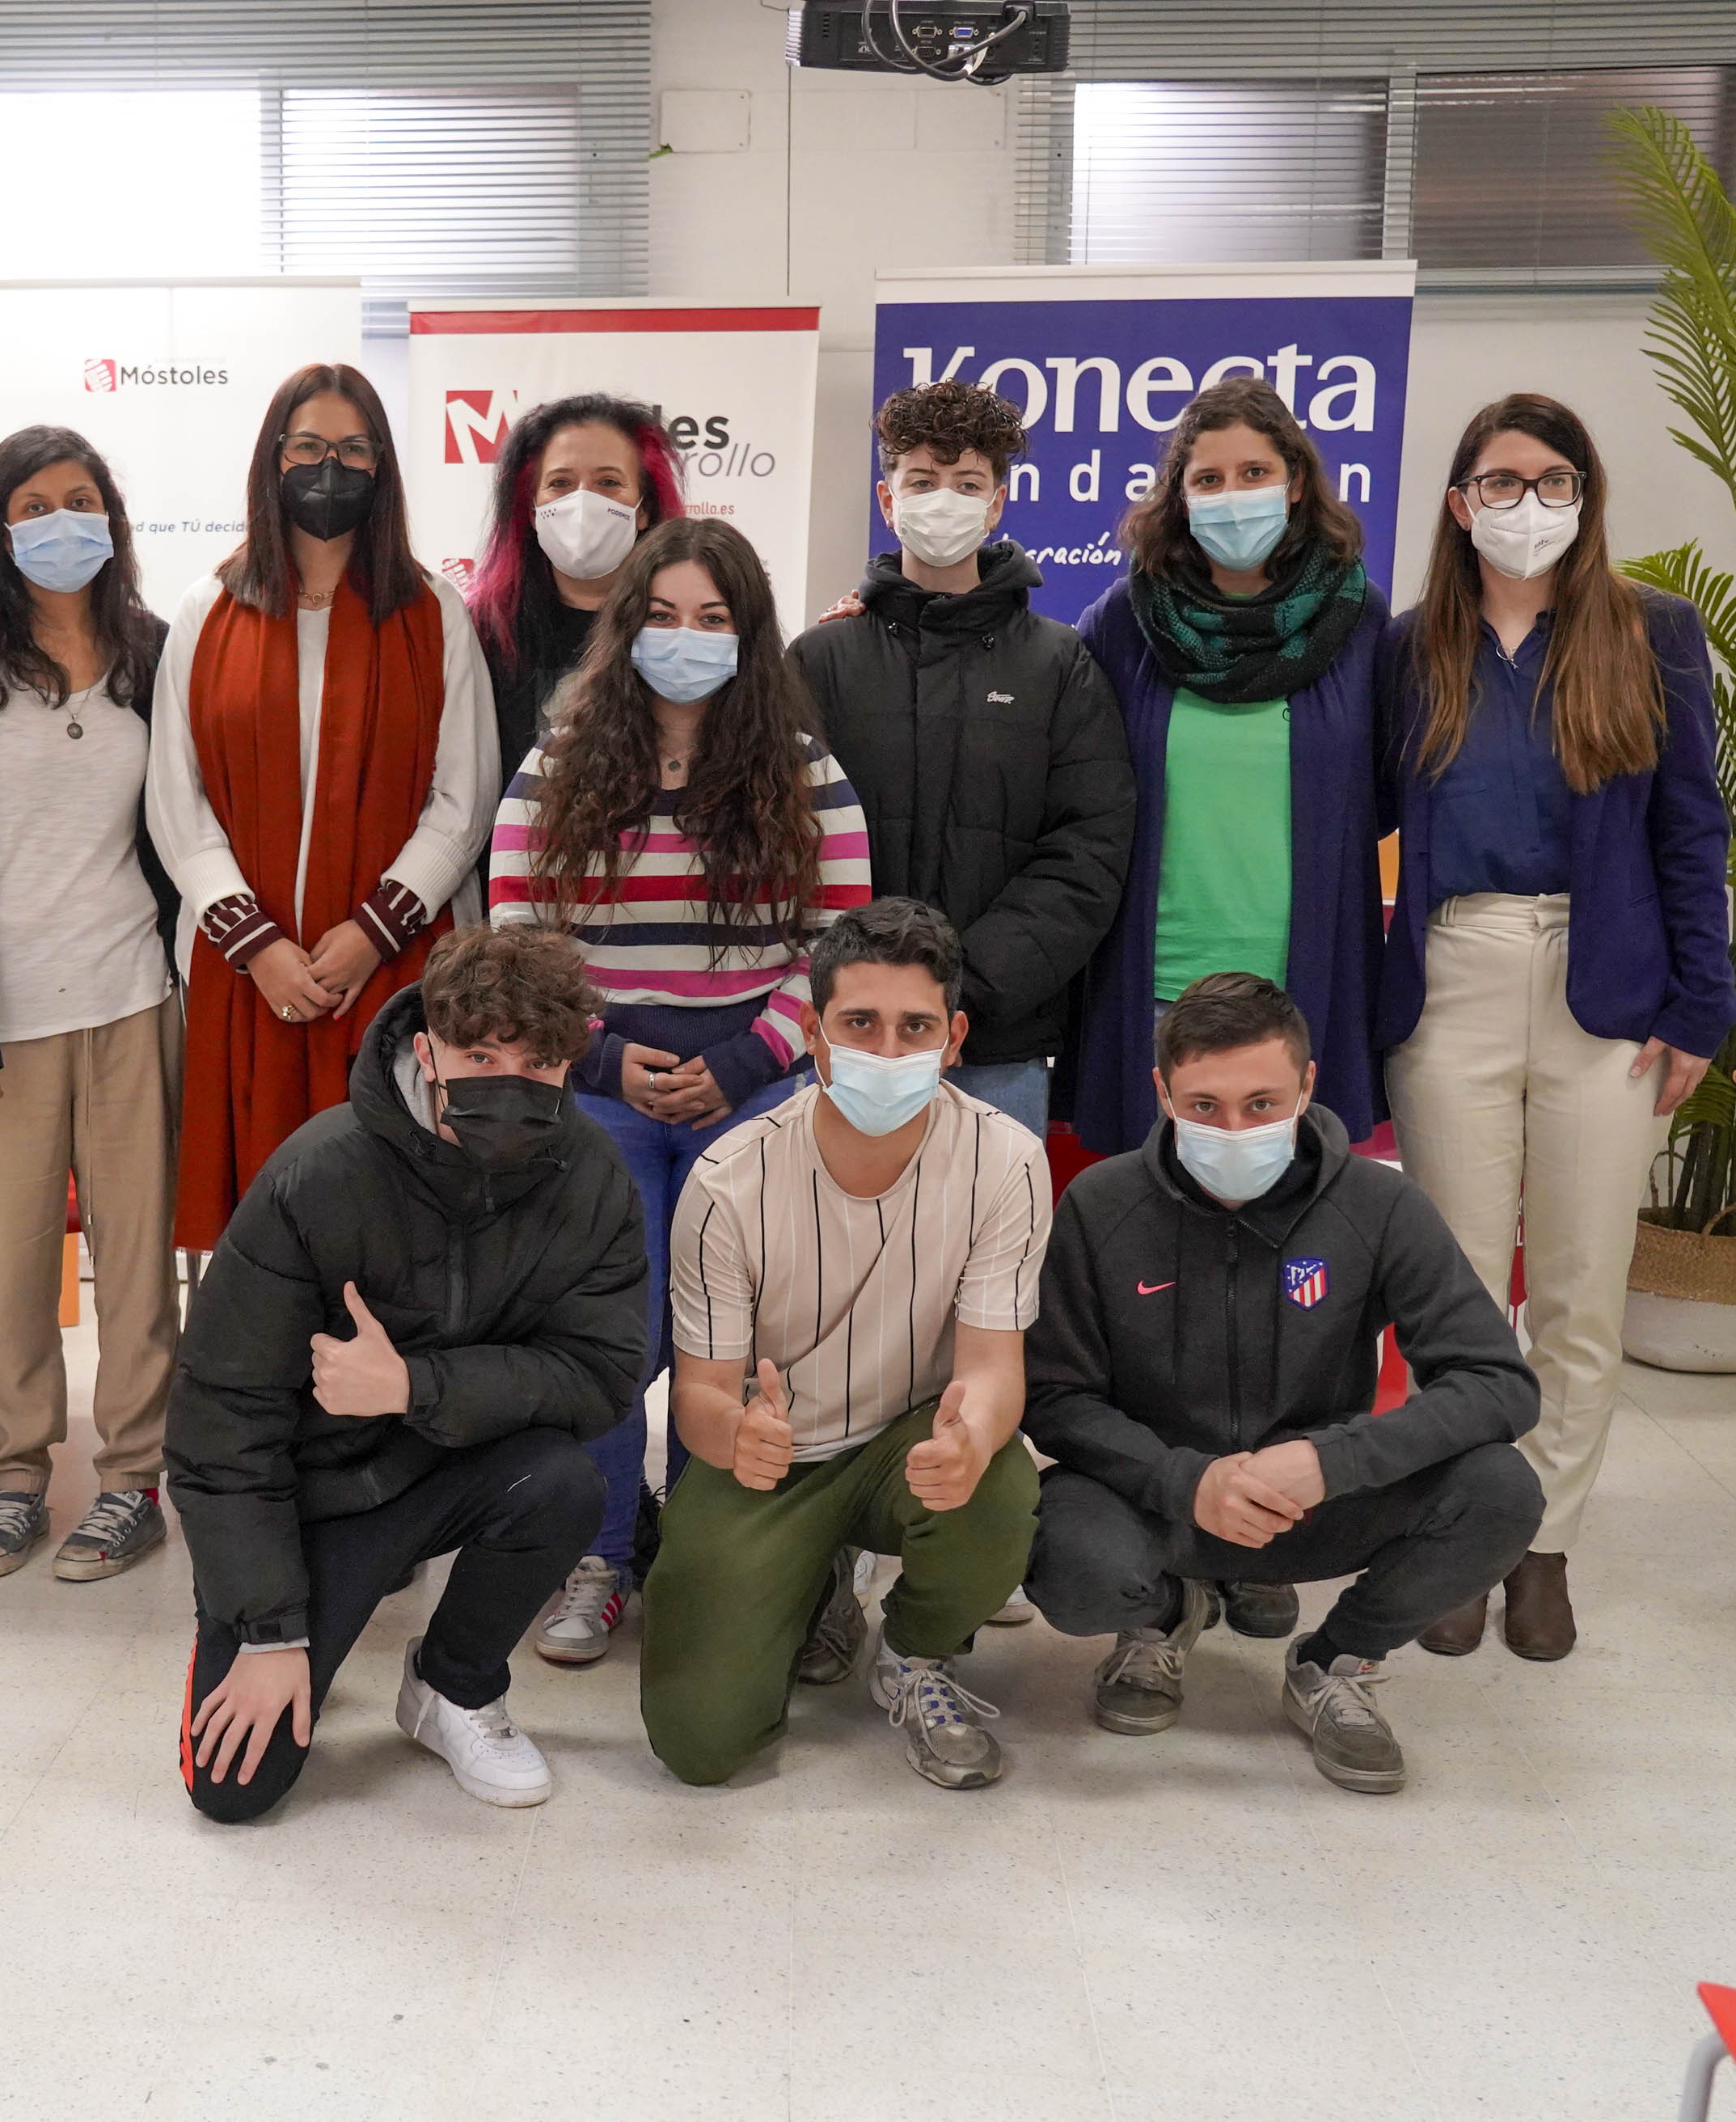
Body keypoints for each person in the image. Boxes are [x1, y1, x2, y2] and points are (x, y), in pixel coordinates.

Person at [1378, 394, 1734, 1663]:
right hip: (1453, 973)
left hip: (1608, 985)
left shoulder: (1654, 632)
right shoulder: (1410, 645)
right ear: (1459, 501)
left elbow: (1692, 827)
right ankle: (1465, 1535)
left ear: (1585, 496)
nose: (1527, 504)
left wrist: (1701, 1004)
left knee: (1581, 1289)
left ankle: (1545, 1547)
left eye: (1552, 481)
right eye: (1502, 481)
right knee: (1462, 1294)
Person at [487, 515, 870, 1668]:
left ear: (749, 635)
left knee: (735, 1334)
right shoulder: (559, 763)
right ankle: (603, 1552)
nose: (685, 638)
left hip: (751, 1083)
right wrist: (599, 1056)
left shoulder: (802, 770)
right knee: (607, 1330)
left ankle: (713, 1552)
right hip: (598, 1083)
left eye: (712, 618)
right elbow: (515, 932)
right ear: (626, 628)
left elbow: (840, 943)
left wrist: (750, 1059)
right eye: (661, 616)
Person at [168, 925, 646, 1820]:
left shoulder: (592, 1176)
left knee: (563, 1483)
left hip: (452, 1465)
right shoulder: (318, 1174)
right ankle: (274, 1624)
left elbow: (602, 1374)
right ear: (427, 1052)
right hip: (312, 1501)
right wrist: (268, 1630)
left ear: (570, 1062)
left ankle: (451, 1685)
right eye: (480, 1056)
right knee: (234, 1789)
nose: (509, 1083)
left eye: (538, 1063)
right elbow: (220, 1417)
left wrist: (412, 1388)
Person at [1023, 973, 1542, 1795]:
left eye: (1261, 1104)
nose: (1233, 1130)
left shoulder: (1380, 1204)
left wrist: (1331, 1460)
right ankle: (1166, 1615)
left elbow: (1498, 1383)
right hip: (1159, 1496)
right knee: (1066, 1559)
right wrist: (1185, 1480)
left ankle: (1335, 1660)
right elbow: (1053, 1396)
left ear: (1307, 1086)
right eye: (1204, 1105)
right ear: (1161, 1092)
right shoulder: (1101, 1203)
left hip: (1314, 1498)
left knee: (1500, 1489)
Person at [1068, 377, 1391, 1647]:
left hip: (1297, 1002)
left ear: (1298, 484)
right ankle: (1170, 1537)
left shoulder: (1362, 629)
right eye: (1209, 478)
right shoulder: (1125, 624)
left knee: (1291, 1300)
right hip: (1156, 998)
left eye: (1256, 472)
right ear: (1176, 496)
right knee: (1162, 1299)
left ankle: (1270, 1529)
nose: (1234, 496)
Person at [639, 899, 1049, 1791]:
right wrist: (734, 1434)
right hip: (771, 1456)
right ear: (814, 1037)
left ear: (954, 1039)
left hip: (908, 1441)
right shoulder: (726, 1180)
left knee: (998, 1485)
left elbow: (993, 1370)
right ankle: (814, 1580)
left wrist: (973, 1435)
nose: (888, 1051)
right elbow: (701, 1393)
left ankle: (914, 1653)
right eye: (860, 1024)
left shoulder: (1008, 1162)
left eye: (916, 1027)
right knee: (698, 1743)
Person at [0, 424, 185, 1584]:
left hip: (130, 1001)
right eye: (33, 506)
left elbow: (180, 828)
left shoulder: (153, 654)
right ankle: (17, 1477)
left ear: (110, 515)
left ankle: (132, 1481)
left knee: (136, 1260)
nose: (61, 522)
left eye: (80, 499)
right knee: (10, 1264)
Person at [145, 362, 497, 1251]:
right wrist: (258, 945)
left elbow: (464, 798)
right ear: (273, 458)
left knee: (391, 1218)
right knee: (262, 1225)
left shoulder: (433, 612)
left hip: (394, 961)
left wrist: (372, 931)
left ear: (382, 466)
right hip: (246, 975)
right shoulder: (208, 610)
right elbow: (176, 799)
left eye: (353, 449)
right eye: (307, 446)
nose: (329, 468)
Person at [792, 377, 1133, 1141]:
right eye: (922, 481)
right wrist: (859, 988)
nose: (944, 498)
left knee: (991, 1221)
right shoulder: (821, 660)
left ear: (997, 503)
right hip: (844, 1034)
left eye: (967, 482)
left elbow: (1089, 848)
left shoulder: (1058, 665)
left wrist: (959, 987)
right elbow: (783, 838)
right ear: (888, 501)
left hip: (995, 1040)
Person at [459, 391, 686, 809]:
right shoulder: (481, 632)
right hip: (514, 848)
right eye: (560, 483)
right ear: (531, 510)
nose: (583, 502)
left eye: (609, 483)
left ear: (644, 509)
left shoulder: (685, 629)